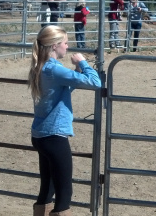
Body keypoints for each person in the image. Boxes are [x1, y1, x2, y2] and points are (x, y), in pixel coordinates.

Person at [27, 25, 101, 216]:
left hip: (41, 134)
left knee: (48, 188)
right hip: (55, 136)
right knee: (64, 191)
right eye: (65, 43)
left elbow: (60, 90)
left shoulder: (40, 66)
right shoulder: (54, 69)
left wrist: (75, 73)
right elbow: (95, 82)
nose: (67, 48)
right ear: (55, 46)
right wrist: (83, 63)